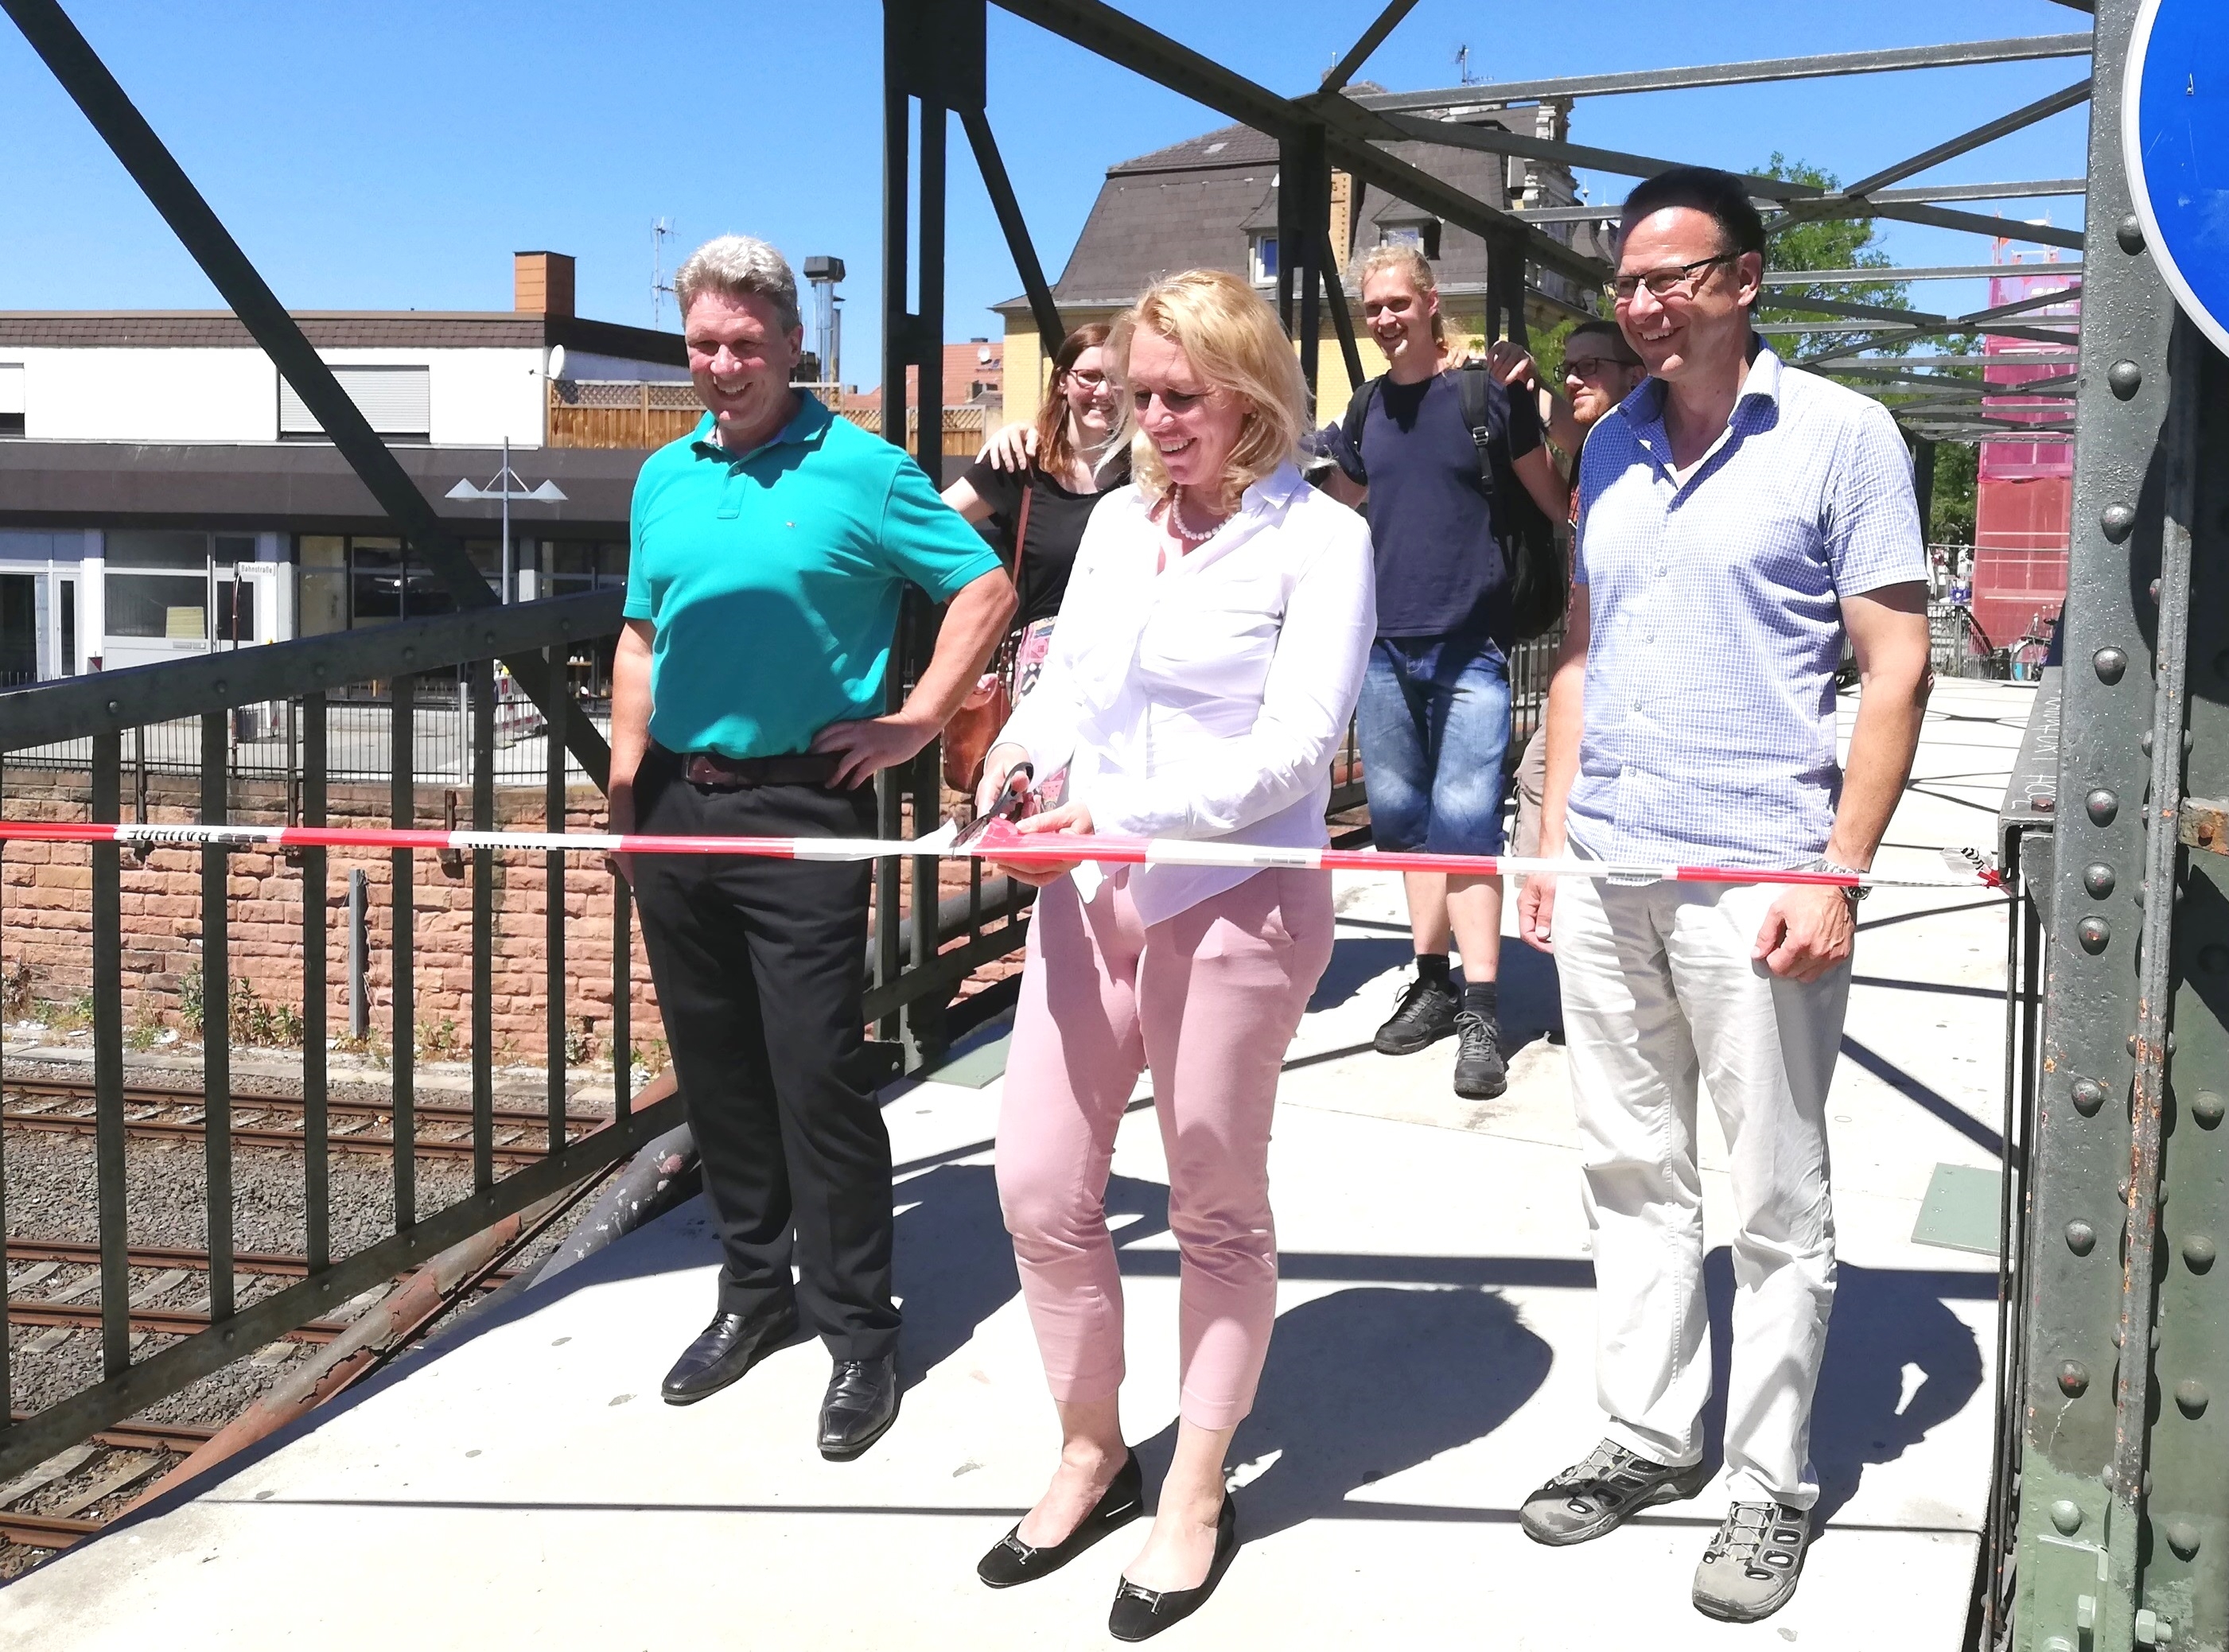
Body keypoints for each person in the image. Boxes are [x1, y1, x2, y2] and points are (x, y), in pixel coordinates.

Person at [1514, 168, 1931, 1623]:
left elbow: (1895, 664)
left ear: (1744, 280)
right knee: (1629, 1172)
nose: (1640, 305)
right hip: (1609, 863)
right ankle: (1647, 1431)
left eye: (1669, 278)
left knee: (1770, 1196)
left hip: (1756, 875)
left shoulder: (1839, 435)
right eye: (1625, 283)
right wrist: (1548, 840)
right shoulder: (1610, 444)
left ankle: (1768, 1483)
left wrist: (1836, 870)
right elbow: (1581, 648)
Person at [970, 268, 1373, 1642]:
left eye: (1180, 397)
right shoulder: (1113, 525)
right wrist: (1015, 779)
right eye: (1140, 396)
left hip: (1237, 897)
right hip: (1091, 886)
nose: (1150, 421)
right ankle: (1093, 1450)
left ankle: (1195, 1485)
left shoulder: (1320, 538)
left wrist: (1123, 811)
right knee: (1038, 1184)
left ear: (1250, 394)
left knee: (1212, 1201)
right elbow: (1062, 692)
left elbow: (1297, 750)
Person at [609, 235, 1015, 1460]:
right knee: (718, 1068)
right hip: (677, 800)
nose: (721, 365)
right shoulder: (662, 476)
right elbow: (640, 637)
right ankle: (753, 1293)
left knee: (815, 1073)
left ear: (793, 343)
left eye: (744, 343)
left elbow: (982, 589)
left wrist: (917, 720)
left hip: (803, 805)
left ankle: (859, 1330)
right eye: (703, 344)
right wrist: (625, 784)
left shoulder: (864, 470)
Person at [1322, 241, 1569, 1102]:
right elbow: (1330, 505)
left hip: (1471, 646)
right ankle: (1433, 982)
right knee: (1403, 828)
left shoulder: (1481, 397)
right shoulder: (1364, 409)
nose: (1384, 318)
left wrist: (1536, 397)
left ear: (1431, 302)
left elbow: (1557, 499)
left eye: (1398, 302)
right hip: (1384, 649)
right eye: (1373, 307)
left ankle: (1483, 1010)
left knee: (1465, 826)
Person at [1483, 319, 1647, 861]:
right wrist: (1520, 383)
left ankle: (1554, 888)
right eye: (1569, 367)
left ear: (1635, 377)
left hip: (1630, 664)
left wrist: (1531, 385)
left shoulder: (1646, 451)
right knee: (1539, 776)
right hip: (1587, 661)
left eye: (1590, 367)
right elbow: (1547, 471)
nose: (1574, 379)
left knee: (1546, 775)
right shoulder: (1593, 455)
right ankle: (1547, 889)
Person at [944, 323, 1130, 700]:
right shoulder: (1021, 464)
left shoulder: (1148, 473)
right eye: (1090, 376)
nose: (1104, 392)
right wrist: (975, 593)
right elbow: (931, 523)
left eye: (1116, 380)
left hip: (1123, 674)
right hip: (1041, 682)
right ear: (1062, 381)